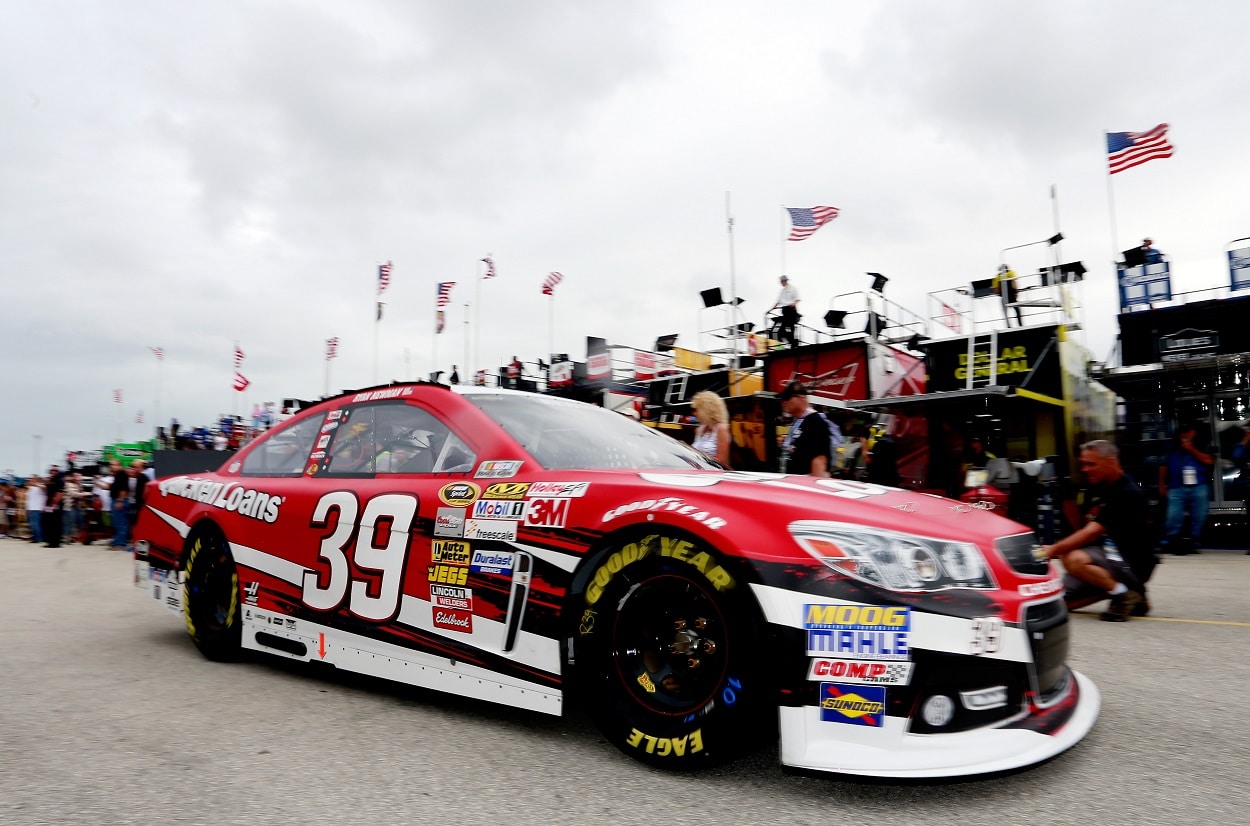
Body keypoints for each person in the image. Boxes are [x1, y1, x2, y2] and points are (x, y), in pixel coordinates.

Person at [1042, 440, 1152, 621]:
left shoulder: (1125, 492)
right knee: (1057, 603)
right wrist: (1066, 500)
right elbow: (1082, 527)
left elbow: (1090, 533)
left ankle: (1123, 593)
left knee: (1071, 557)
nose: (1085, 469)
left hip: (1130, 561)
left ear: (1110, 461)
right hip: (1107, 558)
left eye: (1091, 464)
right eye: (1083, 464)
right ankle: (1128, 593)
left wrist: (1052, 550)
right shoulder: (1098, 488)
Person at [1158, 424, 1214, 555]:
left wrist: (1191, 449)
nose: (1186, 435)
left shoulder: (1202, 444)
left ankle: (1194, 541)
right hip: (1176, 486)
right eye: (1183, 433)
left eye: (1189, 432)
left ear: (1194, 432)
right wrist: (1162, 484)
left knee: (1199, 515)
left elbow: (1210, 461)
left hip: (1198, 486)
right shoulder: (1172, 446)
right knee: (1173, 515)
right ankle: (1168, 542)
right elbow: (1163, 465)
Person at [778, 381, 830, 476]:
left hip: (805, 484)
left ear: (801, 397)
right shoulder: (798, 421)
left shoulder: (815, 421)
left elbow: (819, 461)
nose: (783, 402)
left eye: (787, 398)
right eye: (782, 399)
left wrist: (813, 487)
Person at [690, 390, 731, 467]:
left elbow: (722, 461)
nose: (694, 413)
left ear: (706, 410)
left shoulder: (721, 429)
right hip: (697, 470)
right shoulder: (699, 430)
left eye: (697, 409)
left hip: (712, 473)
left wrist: (698, 456)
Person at [770, 275, 801, 348]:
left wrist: (794, 304)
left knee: (790, 326)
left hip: (791, 309)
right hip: (785, 310)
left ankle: (793, 342)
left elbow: (797, 298)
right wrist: (771, 309)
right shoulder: (782, 291)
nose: (781, 283)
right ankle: (791, 341)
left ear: (785, 281)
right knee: (784, 327)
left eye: (782, 281)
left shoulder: (793, 288)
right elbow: (778, 301)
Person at [108, 459, 130, 550]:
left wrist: (120, 501)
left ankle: (120, 544)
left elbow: (123, 489)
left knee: (121, 523)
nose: (111, 466)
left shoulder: (122, 475)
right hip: (116, 500)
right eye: (111, 465)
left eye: (114, 465)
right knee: (116, 523)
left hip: (119, 501)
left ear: (119, 465)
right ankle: (117, 541)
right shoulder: (117, 476)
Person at [43, 466, 65, 548]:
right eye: (51, 470)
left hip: (55, 505)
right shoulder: (51, 480)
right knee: (49, 524)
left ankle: (55, 543)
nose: (53, 472)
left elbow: (59, 494)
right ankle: (51, 541)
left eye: (55, 470)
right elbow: (46, 486)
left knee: (55, 524)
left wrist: (53, 504)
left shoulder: (59, 481)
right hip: (49, 504)